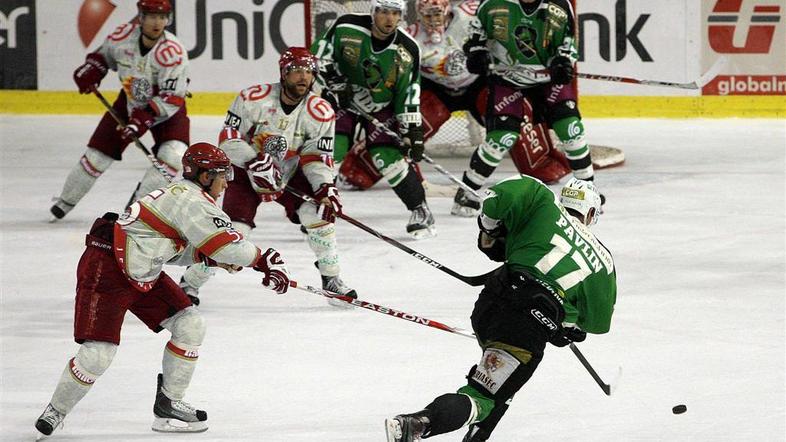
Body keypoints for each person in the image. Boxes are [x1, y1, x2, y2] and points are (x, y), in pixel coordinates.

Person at [34, 143, 290, 438]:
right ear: (204, 176)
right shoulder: (192, 201)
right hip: (107, 266)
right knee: (98, 354)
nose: (226, 181)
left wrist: (206, 257)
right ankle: (56, 410)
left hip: (142, 265)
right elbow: (226, 245)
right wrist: (263, 259)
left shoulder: (184, 194)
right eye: (221, 175)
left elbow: (167, 248)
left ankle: (169, 403)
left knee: (190, 325)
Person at [385, 176, 617, 442]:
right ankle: (416, 424)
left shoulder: (544, 201)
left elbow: (498, 198)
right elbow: (598, 324)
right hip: (524, 327)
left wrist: (490, 227)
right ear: (590, 213)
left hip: (490, 305)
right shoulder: (603, 260)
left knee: (501, 380)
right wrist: (565, 325)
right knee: (484, 396)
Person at [336, 0, 571, 213]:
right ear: (418, 15)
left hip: (479, 85)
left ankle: (541, 164)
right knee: (404, 125)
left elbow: (503, 20)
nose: (433, 20)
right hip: (439, 92)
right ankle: (360, 169)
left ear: (448, 9)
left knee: (512, 119)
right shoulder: (409, 39)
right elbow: (397, 82)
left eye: (437, 13)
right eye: (427, 15)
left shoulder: (469, 14)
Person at [178, 47, 356, 307]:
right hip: (245, 173)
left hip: (290, 172)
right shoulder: (253, 99)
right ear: (283, 73)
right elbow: (228, 140)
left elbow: (316, 157)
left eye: (308, 71)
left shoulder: (321, 112)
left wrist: (325, 187)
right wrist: (253, 160)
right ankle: (189, 284)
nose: (302, 77)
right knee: (232, 234)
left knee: (318, 217)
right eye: (295, 70)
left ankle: (331, 279)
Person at [452, 0, 599, 216]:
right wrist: (476, 53)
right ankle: (467, 192)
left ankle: (588, 192)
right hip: (506, 78)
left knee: (570, 128)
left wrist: (564, 62)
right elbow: (475, 36)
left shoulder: (558, 6)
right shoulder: (492, 4)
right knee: (501, 138)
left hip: (547, 77)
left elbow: (568, 43)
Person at [50, 0, 190, 221]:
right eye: (152, 16)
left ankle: (135, 210)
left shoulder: (173, 52)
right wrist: (92, 69)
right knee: (97, 155)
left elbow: (172, 97)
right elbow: (103, 56)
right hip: (128, 104)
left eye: (162, 17)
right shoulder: (123, 36)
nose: (157, 22)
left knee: (172, 156)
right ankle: (66, 201)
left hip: (166, 113)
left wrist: (142, 120)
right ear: (141, 17)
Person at [310, 0, 436, 239]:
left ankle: (420, 209)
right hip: (344, 100)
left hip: (382, 106)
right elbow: (318, 57)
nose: (389, 19)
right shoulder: (346, 26)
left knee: (386, 157)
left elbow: (408, 91)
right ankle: (321, 205)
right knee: (332, 148)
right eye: (384, 12)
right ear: (373, 12)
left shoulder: (408, 49)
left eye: (395, 13)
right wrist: (332, 80)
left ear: (401, 16)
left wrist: (412, 131)